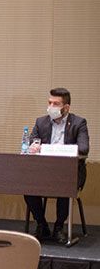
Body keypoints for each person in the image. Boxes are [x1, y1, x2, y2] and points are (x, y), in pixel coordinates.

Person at [24, 87, 90, 242]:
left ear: (66, 107)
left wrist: (52, 149)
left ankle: (59, 227)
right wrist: (33, 147)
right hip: (44, 172)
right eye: (49, 103)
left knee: (64, 186)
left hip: (69, 173)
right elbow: (31, 143)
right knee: (27, 187)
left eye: (55, 104)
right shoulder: (41, 122)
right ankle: (42, 225)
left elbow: (84, 148)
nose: (51, 107)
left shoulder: (79, 123)